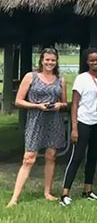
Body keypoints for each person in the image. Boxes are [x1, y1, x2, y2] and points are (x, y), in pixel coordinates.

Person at [7, 48, 67, 208]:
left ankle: (47, 192)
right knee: (29, 157)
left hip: (54, 120)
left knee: (51, 156)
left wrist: (59, 105)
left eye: (53, 60)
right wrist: (37, 106)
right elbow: (18, 101)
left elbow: (65, 103)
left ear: (56, 61)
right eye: (47, 60)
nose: (50, 63)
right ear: (41, 60)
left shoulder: (61, 79)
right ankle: (14, 198)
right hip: (35, 119)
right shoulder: (30, 76)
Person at [60, 48, 97, 206]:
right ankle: (65, 193)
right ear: (87, 62)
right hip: (83, 122)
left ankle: (87, 189)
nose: (95, 63)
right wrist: (74, 128)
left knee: (93, 157)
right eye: (92, 60)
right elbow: (75, 104)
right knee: (77, 157)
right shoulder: (81, 79)